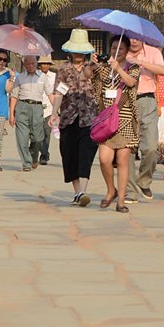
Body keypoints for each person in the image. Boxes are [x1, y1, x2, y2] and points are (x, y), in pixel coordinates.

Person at [93, 38, 142, 213]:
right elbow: (90, 77)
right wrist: (93, 64)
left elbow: (131, 82)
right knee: (104, 159)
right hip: (106, 121)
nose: (117, 50)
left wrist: (118, 69)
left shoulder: (133, 67)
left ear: (127, 50)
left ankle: (121, 200)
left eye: (121, 48)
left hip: (125, 119)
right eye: (114, 47)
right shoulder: (104, 68)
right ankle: (110, 190)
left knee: (122, 160)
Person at [54, 30, 101, 205]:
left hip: (89, 118)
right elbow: (59, 92)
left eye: (81, 51)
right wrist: (54, 112)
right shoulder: (63, 69)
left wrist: (96, 65)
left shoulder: (93, 68)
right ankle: (77, 193)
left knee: (86, 154)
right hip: (68, 117)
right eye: (76, 51)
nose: (78, 55)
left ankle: (83, 191)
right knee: (69, 154)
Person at [127, 39, 164, 202]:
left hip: (147, 100)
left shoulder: (153, 52)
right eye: (130, 37)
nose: (133, 40)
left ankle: (144, 180)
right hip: (125, 101)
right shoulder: (121, 50)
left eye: (137, 37)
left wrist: (140, 62)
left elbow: (163, 70)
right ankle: (130, 190)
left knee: (150, 148)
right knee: (127, 149)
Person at [9, 55, 50, 170]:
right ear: (24, 65)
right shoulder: (20, 77)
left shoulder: (43, 77)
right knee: (22, 138)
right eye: (28, 64)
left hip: (37, 108)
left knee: (37, 138)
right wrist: (11, 114)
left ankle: (34, 156)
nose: (30, 66)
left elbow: (50, 94)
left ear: (36, 64)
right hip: (22, 107)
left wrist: (56, 112)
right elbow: (14, 96)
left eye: (33, 63)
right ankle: (26, 163)